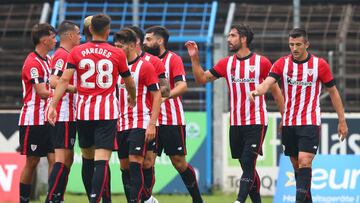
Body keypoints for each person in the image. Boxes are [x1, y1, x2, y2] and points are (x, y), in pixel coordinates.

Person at [185, 24, 284, 203]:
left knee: (248, 162)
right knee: (247, 167)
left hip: (256, 120)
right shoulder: (226, 63)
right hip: (236, 123)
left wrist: (285, 118)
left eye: (232, 36)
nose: (228, 39)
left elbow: (276, 92)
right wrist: (195, 58)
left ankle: (239, 200)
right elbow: (201, 79)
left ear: (243, 39)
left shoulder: (262, 63)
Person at [249, 28, 348, 203]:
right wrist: (257, 91)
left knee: (304, 161)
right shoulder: (282, 63)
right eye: (291, 44)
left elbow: (333, 92)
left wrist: (342, 121)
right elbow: (269, 83)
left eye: (298, 45)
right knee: (297, 166)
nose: (294, 48)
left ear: (307, 44)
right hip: (289, 122)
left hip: (310, 121)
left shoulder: (320, 65)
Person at [47, 14, 136, 203]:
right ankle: (98, 199)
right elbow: (129, 81)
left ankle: (91, 198)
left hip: (84, 113)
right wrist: (132, 97)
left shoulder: (77, 52)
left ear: (90, 30)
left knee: (87, 159)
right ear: (107, 31)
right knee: (102, 160)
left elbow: (63, 80)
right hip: (107, 113)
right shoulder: (117, 53)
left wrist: (53, 105)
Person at [144, 26, 204, 203]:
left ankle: (198, 199)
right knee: (147, 162)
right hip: (149, 120)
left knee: (179, 163)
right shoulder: (144, 60)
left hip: (171, 119)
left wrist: (164, 97)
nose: (145, 43)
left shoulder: (173, 59)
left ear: (160, 41)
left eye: (149, 39)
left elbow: (183, 85)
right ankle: (146, 199)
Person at [114, 28, 162, 203]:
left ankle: (139, 200)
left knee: (137, 163)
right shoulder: (115, 67)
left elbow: (157, 95)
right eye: (116, 46)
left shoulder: (145, 66)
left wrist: (152, 124)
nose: (118, 49)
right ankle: (141, 199)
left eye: (121, 46)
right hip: (121, 124)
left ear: (133, 45)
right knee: (124, 167)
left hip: (140, 122)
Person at [126, 25, 170, 203]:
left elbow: (165, 90)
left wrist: (152, 88)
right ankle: (141, 198)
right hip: (123, 119)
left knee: (147, 162)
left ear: (133, 43)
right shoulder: (118, 62)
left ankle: (146, 197)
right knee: (127, 164)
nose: (144, 43)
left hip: (147, 118)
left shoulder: (153, 62)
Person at [18, 23, 56, 203]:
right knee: (32, 162)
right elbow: (41, 91)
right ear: (44, 40)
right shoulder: (32, 62)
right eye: (53, 36)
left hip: (48, 119)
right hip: (33, 119)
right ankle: (23, 199)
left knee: (55, 160)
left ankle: (51, 198)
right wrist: (62, 91)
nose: (55, 40)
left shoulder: (49, 60)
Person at [45, 20, 80, 203]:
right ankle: (53, 198)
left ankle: (58, 197)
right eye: (78, 33)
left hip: (70, 112)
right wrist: (75, 89)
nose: (80, 37)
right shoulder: (61, 55)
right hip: (63, 111)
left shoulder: (68, 54)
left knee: (68, 158)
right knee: (62, 158)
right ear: (70, 35)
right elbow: (52, 80)